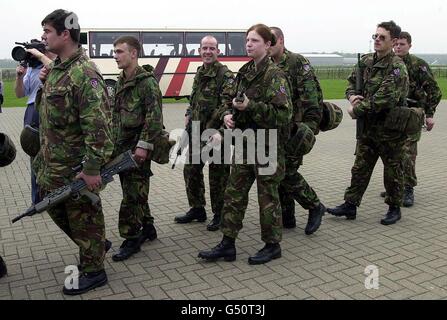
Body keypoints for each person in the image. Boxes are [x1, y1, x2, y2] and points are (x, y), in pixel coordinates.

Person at [198, 24, 292, 265]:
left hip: (267, 145)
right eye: (247, 40)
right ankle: (227, 244)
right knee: (233, 194)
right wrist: (229, 115)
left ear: (268, 45)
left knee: (267, 198)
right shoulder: (245, 71)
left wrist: (251, 107)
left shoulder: (275, 75)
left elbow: (283, 115)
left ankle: (272, 245)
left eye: (255, 41)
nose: (249, 44)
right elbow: (234, 101)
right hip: (244, 144)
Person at [36, 9, 114, 295]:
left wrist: (92, 168)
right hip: (53, 166)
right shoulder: (58, 69)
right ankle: (94, 244)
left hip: (76, 168)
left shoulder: (84, 73)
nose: (43, 36)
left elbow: (99, 126)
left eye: (47, 31)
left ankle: (94, 270)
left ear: (64, 34)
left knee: (85, 217)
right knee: (56, 210)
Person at [327, 21, 409, 225]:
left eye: (382, 37)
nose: (377, 40)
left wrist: (356, 110)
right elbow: (350, 83)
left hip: (390, 129)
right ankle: (350, 204)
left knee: (392, 171)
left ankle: (394, 207)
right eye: (375, 36)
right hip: (368, 129)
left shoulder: (397, 67)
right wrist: (352, 96)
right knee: (360, 168)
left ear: (394, 41)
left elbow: (385, 98)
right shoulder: (365, 62)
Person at [110, 36, 163, 261]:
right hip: (121, 148)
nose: (115, 56)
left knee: (131, 196)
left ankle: (131, 238)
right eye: (114, 52)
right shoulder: (121, 80)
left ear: (133, 54)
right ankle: (148, 227)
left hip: (137, 150)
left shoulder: (147, 83)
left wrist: (143, 147)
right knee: (134, 191)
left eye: (120, 52)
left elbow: (154, 119)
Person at [269, 26, 326, 234]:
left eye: (272, 40)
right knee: (280, 174)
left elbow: (311, 99)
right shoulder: (265, 64)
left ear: (281, 41)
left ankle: (314, 206)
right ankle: (288, 218)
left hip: (295, 130)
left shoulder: (297, 62)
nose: (269, 44)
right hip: (275, 129)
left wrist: (308, 131)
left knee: (286, 173)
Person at [174, 35, 233, 231]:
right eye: (204, 48)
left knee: (218, 177)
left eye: (211, 48)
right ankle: (197, 208)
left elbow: (228, 105)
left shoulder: (225, 75)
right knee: (190, 170)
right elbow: (194, 100)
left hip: (216, 135)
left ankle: (220, 214)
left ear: (218, 51)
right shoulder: (200, 72)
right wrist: (188, 114)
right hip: (197, 132)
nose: (207, 52)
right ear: (199, 51)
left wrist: (219, 131)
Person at [379, 31, 442, 207]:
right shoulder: (387, 63)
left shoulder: (417, 65)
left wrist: (429, 114)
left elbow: (435, 91)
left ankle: (408, 189)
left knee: (407, 154)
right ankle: (395, 187)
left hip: (411, 115)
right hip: (391, 116)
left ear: (410, 46)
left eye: (402, 44)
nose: (398, 47)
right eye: (396, 44)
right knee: (390, 153)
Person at [15, 42, 56, 205]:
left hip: (49, 109)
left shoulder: (51, 62)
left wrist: (40, 55)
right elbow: (19, 94)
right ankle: (38, 200)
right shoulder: (31, 69)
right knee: (35, 156)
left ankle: (54, 195)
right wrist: (19, 76)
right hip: (32, 110)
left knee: (51, 154)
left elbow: (57, 69)